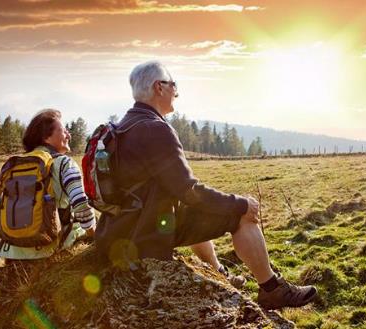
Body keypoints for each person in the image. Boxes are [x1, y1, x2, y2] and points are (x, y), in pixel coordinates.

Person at [94, 61, 317, 309]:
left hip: (117, 231)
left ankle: (219, 272)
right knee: (241, 217)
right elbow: (189, 191)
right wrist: (240, 203)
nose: (176, 92)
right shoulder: (155, 129)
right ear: (159, 87)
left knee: (195, 212)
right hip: (144, 235)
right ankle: (272, 289)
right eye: (173, 85)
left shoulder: (121, 127)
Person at [0, 109, 96, 260]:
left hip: (13, 249)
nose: (69, 135)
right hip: (49, 247)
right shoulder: (65, 163)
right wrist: (94, 235)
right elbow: (81, 206)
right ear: (46, 137)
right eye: (63, 131)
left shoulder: (17, 165)